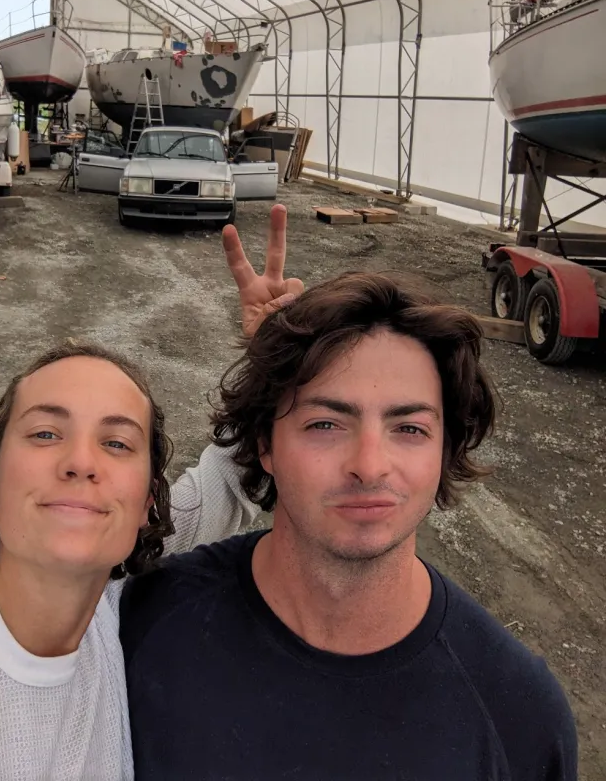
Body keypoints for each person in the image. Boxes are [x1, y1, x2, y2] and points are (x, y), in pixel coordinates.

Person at [0, 206, 302, 781]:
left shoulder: (109, 592)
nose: (81, 462)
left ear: (148, 503)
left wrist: (275, 358)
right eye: (45, 433)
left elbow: (232, 475)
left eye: (116, 443)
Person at [121, 268, 578, 780]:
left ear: (444, 450)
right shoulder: (142, 625)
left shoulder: (520, 716)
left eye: (409, 428)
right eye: (325, 424)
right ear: (264, 444)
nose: (369, 465)